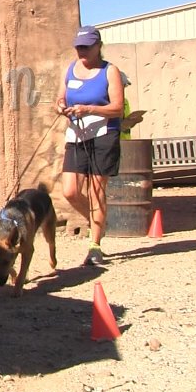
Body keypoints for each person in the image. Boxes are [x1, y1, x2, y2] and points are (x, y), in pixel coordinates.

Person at [55, 25, 125, 266]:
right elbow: (60, 97)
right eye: (78, 47)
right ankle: (99, 222)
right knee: (70, 191)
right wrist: (60, 107)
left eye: (86, 47)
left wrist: (89, 109)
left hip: (104, 134)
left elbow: (117, 108)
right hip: (76, 134)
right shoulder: (70, 70)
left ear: (98, 46)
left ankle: (95, 246)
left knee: (96, 191)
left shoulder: (109, 71)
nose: (81, 51)